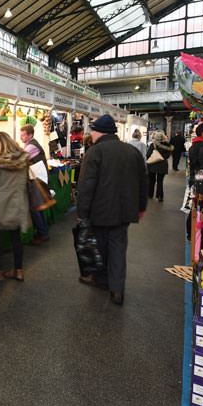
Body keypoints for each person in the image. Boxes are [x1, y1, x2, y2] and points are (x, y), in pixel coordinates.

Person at [76, 115, 148, 305]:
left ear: (99, 132)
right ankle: (117, 290)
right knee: (118, 248)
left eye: (92, 130)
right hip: (124, 211)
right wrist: (141, 206)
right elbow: (143, 181)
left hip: (99, 211)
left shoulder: (95, 152)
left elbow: (86, 186)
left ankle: (101, 280)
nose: (90, 134)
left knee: (99, 247)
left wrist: (82, 213)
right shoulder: (132, 151)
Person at [0, 132, 30, 283]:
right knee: (16, 238)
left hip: (0, 205)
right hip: (18, 203)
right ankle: (18, 270)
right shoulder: (24, 159)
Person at [19, 124, 49, 244]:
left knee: (35, 208)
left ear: (30, 135)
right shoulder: (30, 144)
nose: (21, 137)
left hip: (36, 180)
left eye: (23, 135)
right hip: (38, 179)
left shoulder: (31, 146)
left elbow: (20, 159)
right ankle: (43, 232)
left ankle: (42, 233)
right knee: (38, 207)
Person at [146, 131, 173, 202]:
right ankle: (160, 196)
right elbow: (168, 156)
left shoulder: (153, 145)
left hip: (153, 165)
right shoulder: (167, 145)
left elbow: (148, 154)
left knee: (151, 181)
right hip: (163, 165)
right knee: (160, 181)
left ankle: (150, 194)